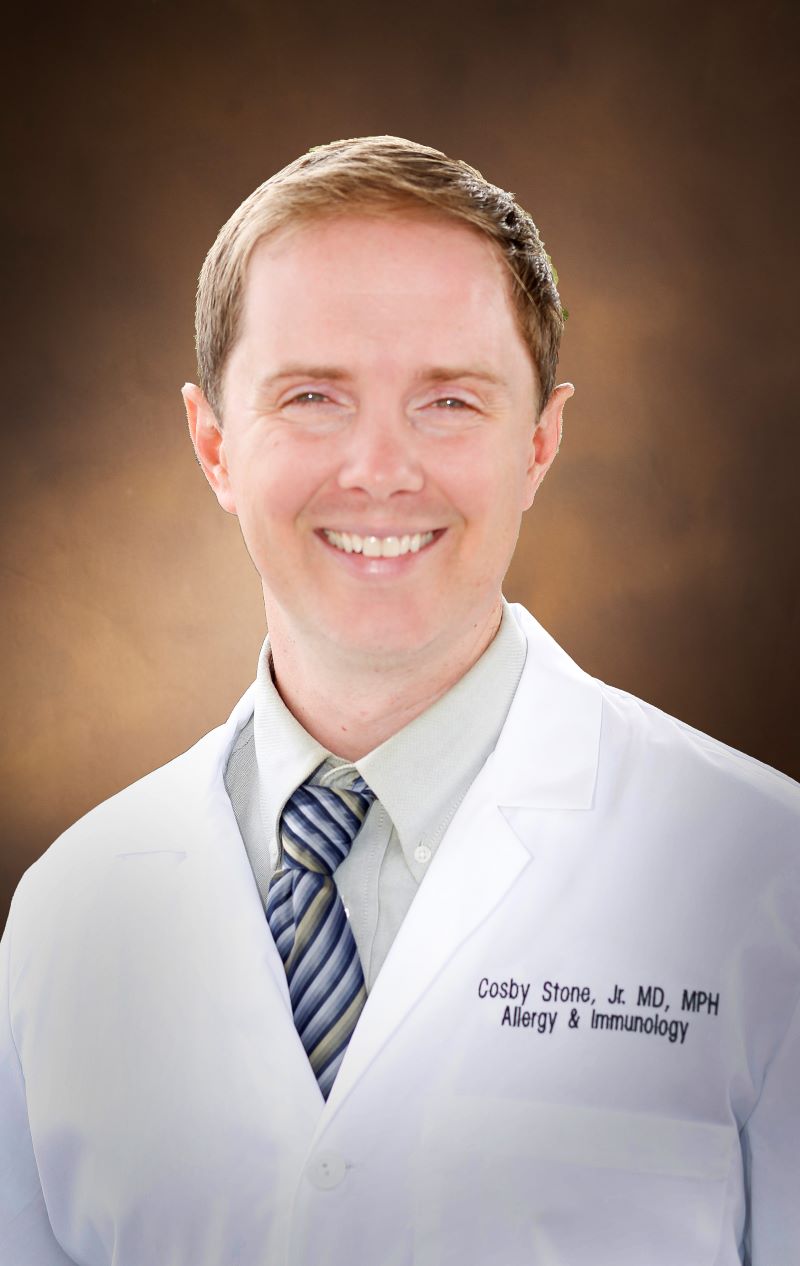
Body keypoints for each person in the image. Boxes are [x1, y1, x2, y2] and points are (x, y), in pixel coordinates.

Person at [0, 136, 797, 1266]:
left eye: (450, 400)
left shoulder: (763, 876)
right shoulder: (70, 911)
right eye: (312, 396)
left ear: (540, 440)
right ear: (214, 444)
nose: (380, 470)